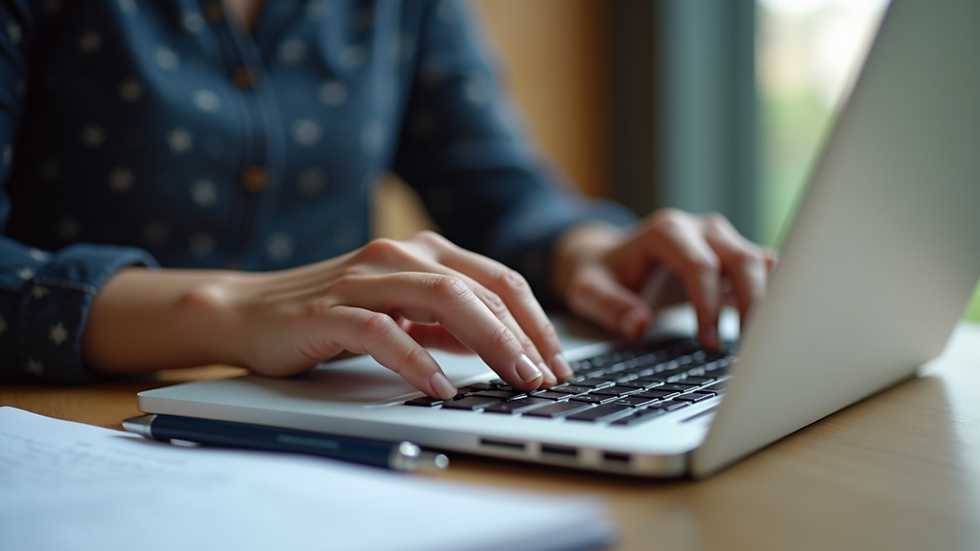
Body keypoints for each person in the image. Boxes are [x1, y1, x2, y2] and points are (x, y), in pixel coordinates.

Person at [0, 0, 773, 399]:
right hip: (83, 424)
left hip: (339, 428)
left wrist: (591, 252)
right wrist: (225, 308)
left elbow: (494, 185)